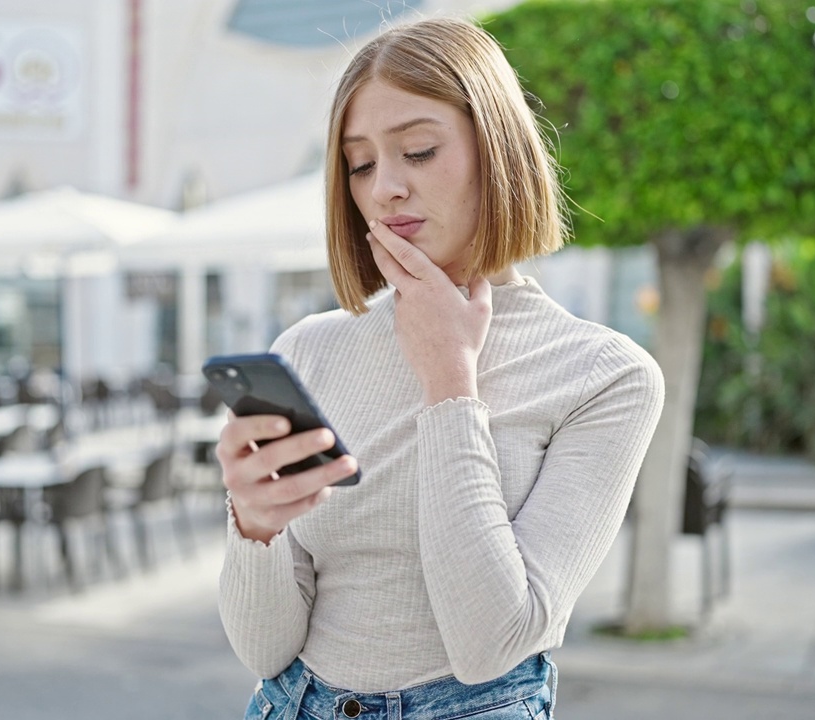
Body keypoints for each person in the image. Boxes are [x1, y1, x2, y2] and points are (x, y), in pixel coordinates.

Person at [215, 16, 664, 720]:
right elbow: (264, 649)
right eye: (360, 164)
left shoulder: (605, 376)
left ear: (498, 151)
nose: (385, 187)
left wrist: (450, 381)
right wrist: (254, 524)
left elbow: (492, 644)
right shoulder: (308, 350)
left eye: (418, 151)